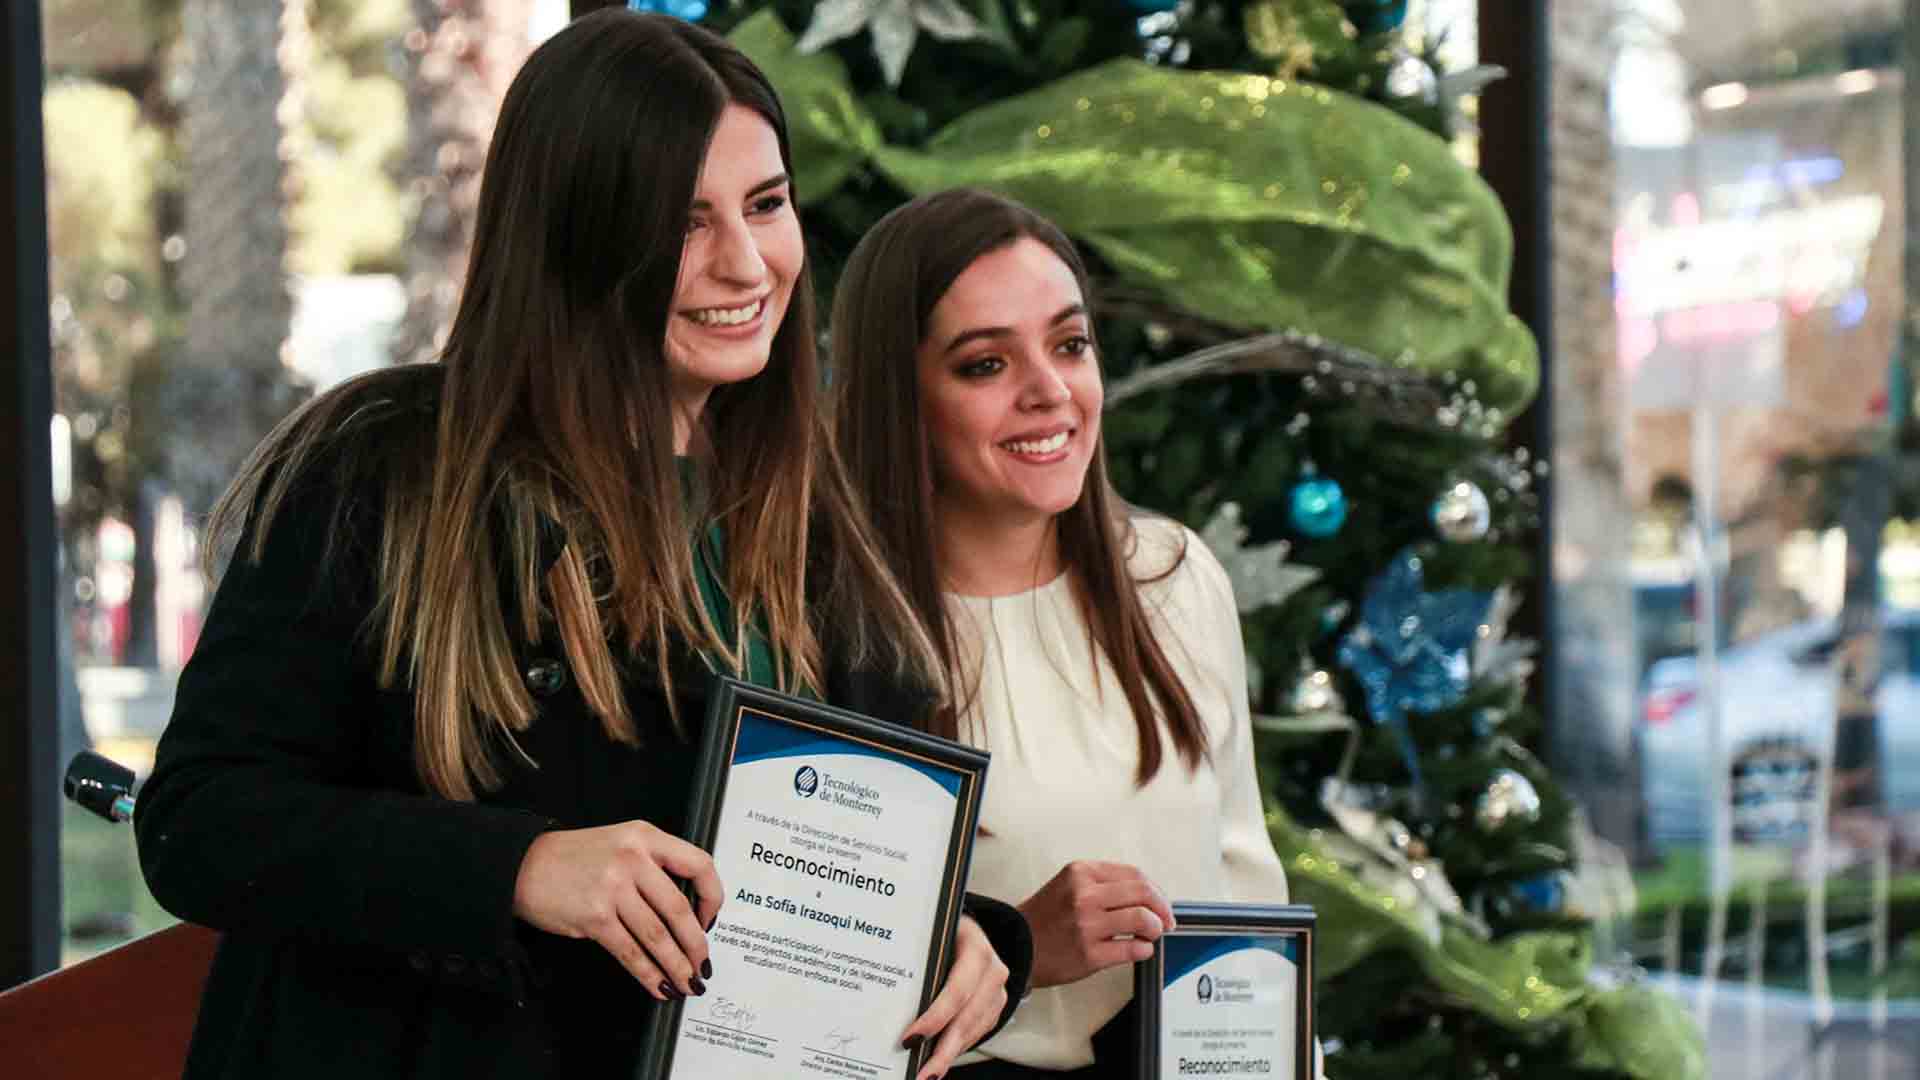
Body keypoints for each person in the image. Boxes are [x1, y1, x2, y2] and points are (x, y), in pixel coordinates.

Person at [135, 15, 1025, 1080]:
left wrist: (964, 940)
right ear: (574, 233)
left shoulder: (819, 519)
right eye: (682, 220)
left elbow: (791, 875)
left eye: (767, 204)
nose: (746, 262)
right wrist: (517, 869)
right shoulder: (384, 469)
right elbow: (201, 821)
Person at [832, 188, 1296, 1078]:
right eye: (984, 366)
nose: (1050, 392)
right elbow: (810, 987)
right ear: (901, 400)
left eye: (1070, 344)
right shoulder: (839, 636)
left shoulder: (1174, 576)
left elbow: (1249, 886)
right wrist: (1021, 950)